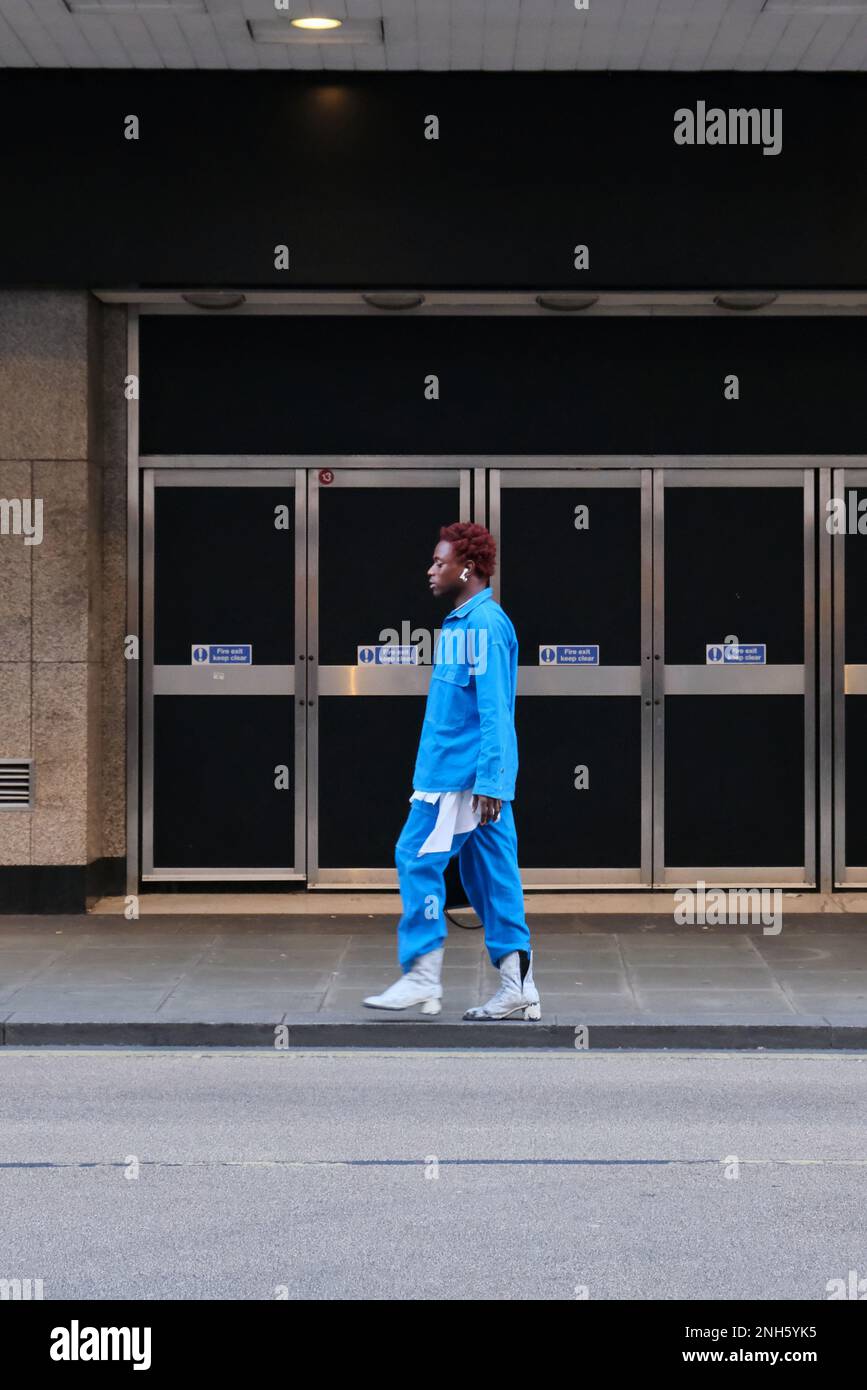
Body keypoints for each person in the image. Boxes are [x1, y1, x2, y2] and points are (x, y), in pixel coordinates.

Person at [363, 521, 540, 1021]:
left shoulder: (482, 625)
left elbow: (494, 711)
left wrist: (490, 782)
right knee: (492, 878)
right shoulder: (467, 622)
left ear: (467, 568)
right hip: (473, 781)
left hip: (459, 782)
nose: (431, 569)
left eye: (439, 562)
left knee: (414, 857)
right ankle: (519, 986)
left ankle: (421, 976)